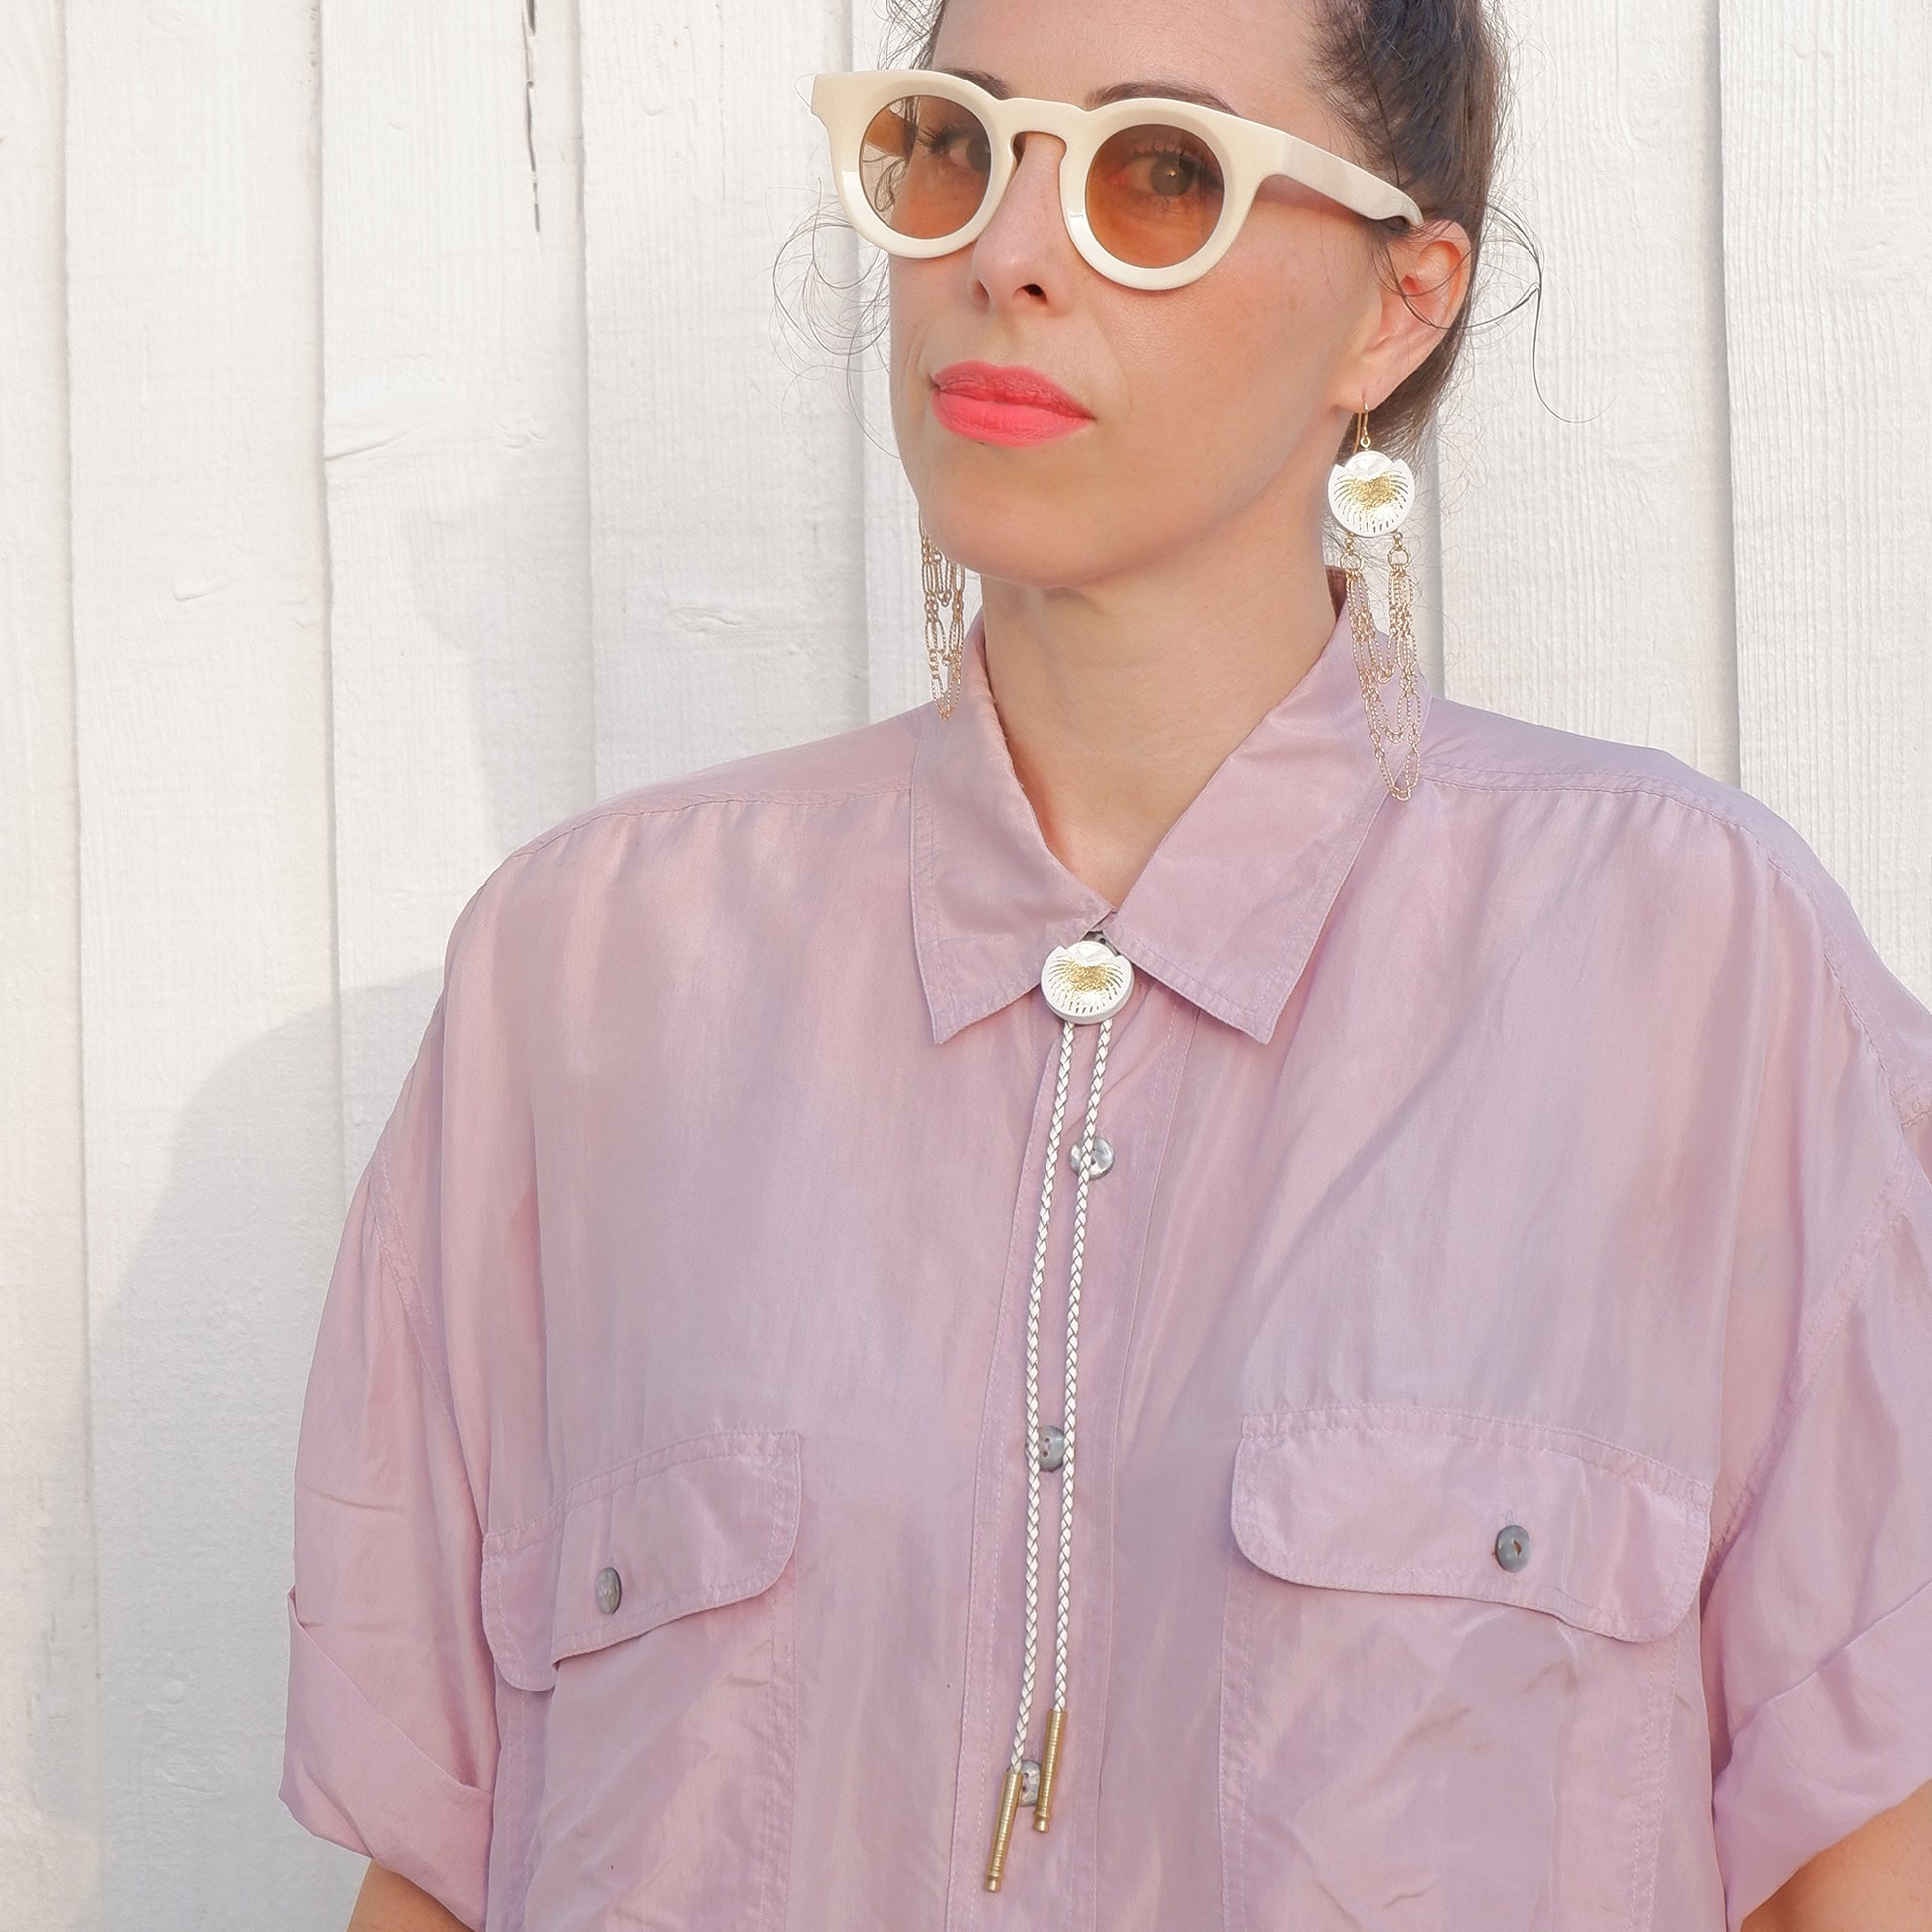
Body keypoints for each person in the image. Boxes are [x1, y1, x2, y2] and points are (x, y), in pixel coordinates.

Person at [280, 0, 1932, 1926]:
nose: (1006, 254)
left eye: (1162, 175)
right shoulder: (584, 986)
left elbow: (1859, 1852)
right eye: (954, 147)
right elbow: (437, 1867)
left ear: (1398, 305)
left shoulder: (1691, 966)